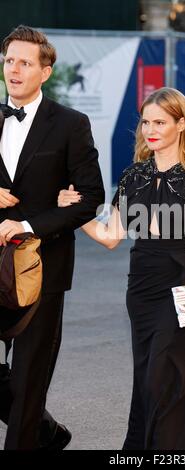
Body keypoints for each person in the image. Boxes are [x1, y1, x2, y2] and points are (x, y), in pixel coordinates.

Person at [59, 87, 185, 450]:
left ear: (181, 125)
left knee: (168, 378)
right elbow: (110, 236)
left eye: (160, 122)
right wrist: (74, 211)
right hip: (142, 287)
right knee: (149, 378)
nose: (150, 129)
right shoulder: (133, 176)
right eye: (146, 121)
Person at [0, 25, 104, 450]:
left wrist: (27, 226)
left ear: (45, 71)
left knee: (28, 376)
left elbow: (90, 197)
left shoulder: (70, 125)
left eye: (25, 62)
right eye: (9, 61)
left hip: (41, 270)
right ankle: (46, 432)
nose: (15, 69)